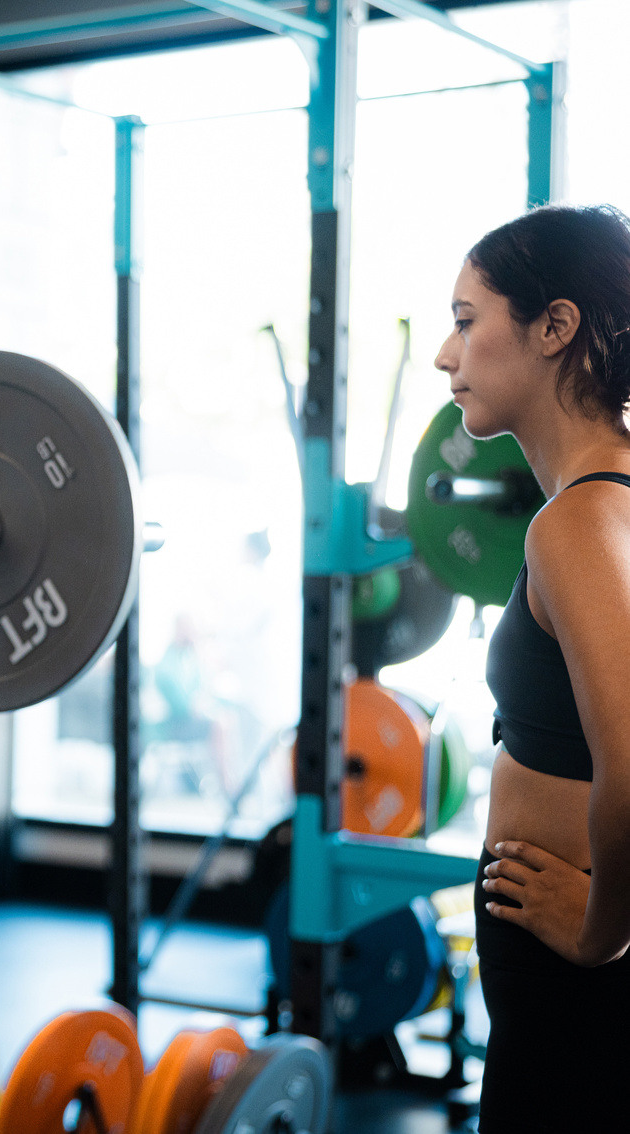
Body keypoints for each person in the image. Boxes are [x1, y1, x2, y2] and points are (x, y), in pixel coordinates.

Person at [438, 205, 630, 1130]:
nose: (447, 355)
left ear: (556, 328)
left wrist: (604, 935)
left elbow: (629, 761)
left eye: (468, 321)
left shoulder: (582, 521)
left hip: (579, 972)